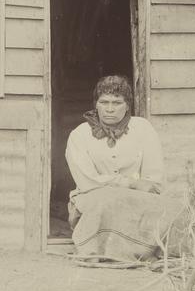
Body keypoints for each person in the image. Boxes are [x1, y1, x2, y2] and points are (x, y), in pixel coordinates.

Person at [65, 75, 185, 261]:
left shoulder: (143, 129)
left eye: (117, 102)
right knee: (106, 199)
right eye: (104, 102)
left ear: (128, 105)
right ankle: (104, 252)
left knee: (174, 208)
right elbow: (87, 181)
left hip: (136, 198)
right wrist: (129, 183)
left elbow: (153, 181)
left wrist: (139, 188)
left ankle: (151, 251)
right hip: (94, 197)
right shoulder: (80, 134)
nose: (110, 109)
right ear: (96, 104)